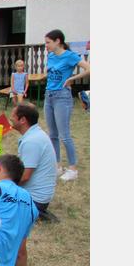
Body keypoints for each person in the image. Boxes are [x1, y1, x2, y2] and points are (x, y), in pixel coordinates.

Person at [1, 104, 58, 266]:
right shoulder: (34, 135)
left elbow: (24, 176)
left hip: (33, 199)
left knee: (18, 248)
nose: (10, 118)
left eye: (13, 116)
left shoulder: (32, 141)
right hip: (35, 195)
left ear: (22, 120)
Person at [44, 29, 91, 182]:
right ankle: (57, 166)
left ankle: (73, 169)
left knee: (64, 135)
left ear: (58, 41)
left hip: (62, 97)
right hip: (49, 96)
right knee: (52, 134)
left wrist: (72, 79)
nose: (46, 46)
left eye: (48, 42)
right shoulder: (51, 56)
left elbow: (89, 68)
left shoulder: (70, 56)